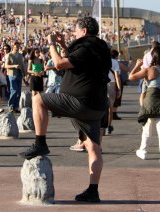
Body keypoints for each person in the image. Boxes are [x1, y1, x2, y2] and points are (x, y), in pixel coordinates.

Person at [19, 17, 111, 203]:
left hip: (78, 101)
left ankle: (40, 142)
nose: (74, 34)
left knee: (38, 99)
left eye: (76, 31)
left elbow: (60, 64)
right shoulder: (101, 48)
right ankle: (93, 191)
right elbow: (77, 61)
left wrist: (51, 44)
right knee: (94, 148)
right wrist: (63, 44)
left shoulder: (86, 47)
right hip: (97, 106)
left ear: (84, 31)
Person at [129, 46, 160, 163]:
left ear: (153, 57)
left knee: (147, 129)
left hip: (150, 100)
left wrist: (136, 65)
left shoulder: (148, 70)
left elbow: (131, 77)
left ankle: (143, 152)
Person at [5, 42, 25, 113]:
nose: (17, 48)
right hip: (12, 74)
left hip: (19, 74)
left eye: (18, 46)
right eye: (16, 46)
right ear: (13, 46)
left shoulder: (20, 55)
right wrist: (14, 66)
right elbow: (6, 66)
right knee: (14, 90)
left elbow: (22, 65)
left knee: (18, 92)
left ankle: (16, 106)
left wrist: (24, 75)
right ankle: (11, 106)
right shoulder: (9, 55)